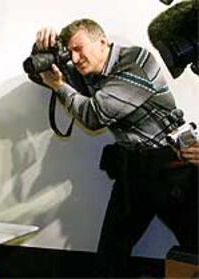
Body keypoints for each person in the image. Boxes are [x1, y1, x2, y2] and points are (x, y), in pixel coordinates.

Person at [33, 18, 199, 277]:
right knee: (111, 255)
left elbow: (94, 115)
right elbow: (39, 74)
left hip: (172, 166)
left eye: (79, 49)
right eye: (70, 52)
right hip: (133, 168)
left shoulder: (136, 63)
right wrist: (42, 50)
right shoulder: (88, 70)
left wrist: (59, 86)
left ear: (102, 41)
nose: (75, 59)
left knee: (195, 245)